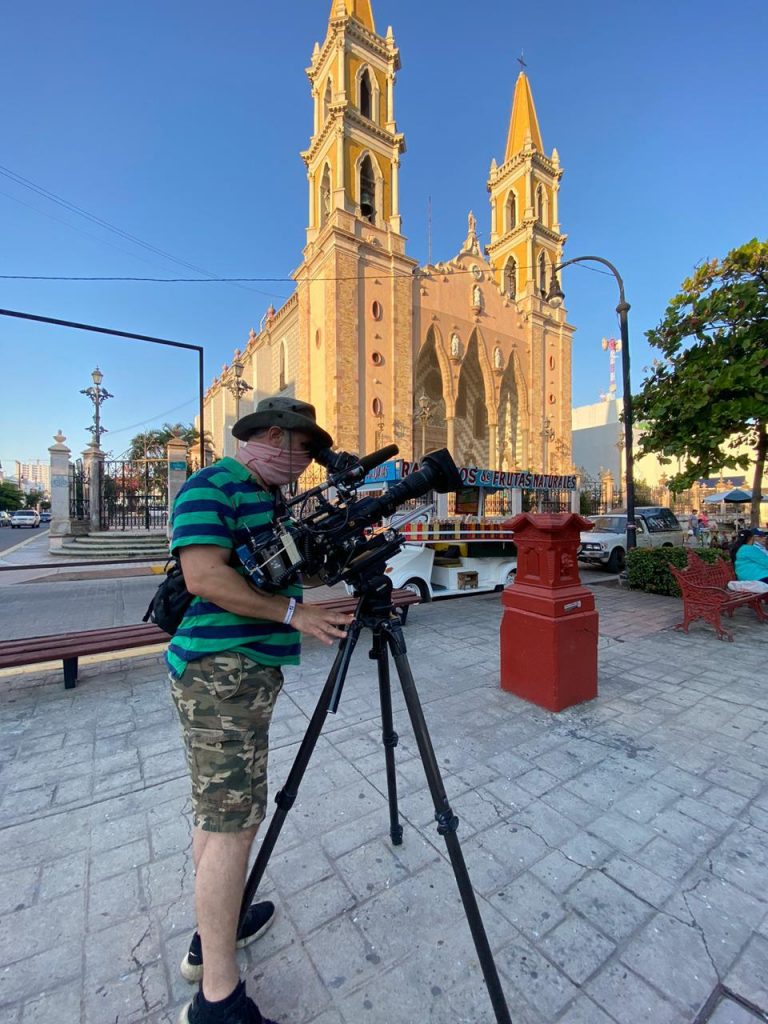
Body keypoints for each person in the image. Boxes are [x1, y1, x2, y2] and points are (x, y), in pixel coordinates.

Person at [168, 397, 354, 1024]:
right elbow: (204, 578)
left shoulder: (269, 499)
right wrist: (293, 615)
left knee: (220, 814)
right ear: (276, 436)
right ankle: (218, 1001)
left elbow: (281, 574)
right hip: (218, 676)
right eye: (304, 450)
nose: (305, 465)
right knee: (231, 825)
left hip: (244, 676)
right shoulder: (210, 486)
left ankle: (211, 930)